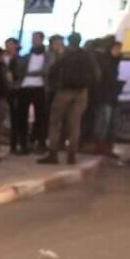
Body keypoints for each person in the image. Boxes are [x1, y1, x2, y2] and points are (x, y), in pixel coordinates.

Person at [38, 38, 97, 166]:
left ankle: (53, 152)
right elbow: (96, 74)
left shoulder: (66, 54)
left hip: (64, 91)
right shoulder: (87, 55)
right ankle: (72, 154)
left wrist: (53, 86)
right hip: (82, 92)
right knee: (75, 124)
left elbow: (53, 70)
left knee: (55, 121)